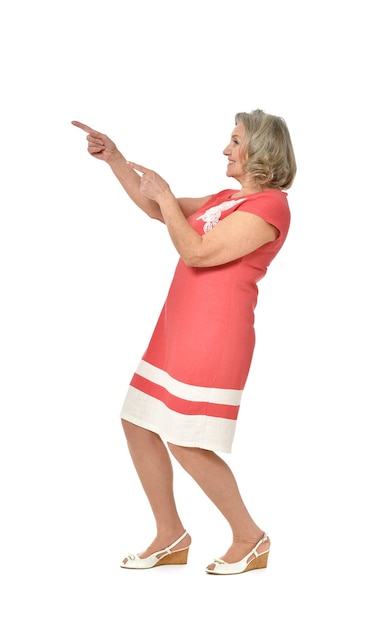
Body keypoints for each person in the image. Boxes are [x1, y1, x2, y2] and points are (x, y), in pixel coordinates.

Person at [72, 109, 296, 575]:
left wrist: (168, 200)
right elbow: (160, 208)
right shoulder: (227, 198)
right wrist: (117, 159)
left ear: (262, 150)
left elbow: (195, 251)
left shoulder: (271, 206)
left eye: (235, 141)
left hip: (215, 337)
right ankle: (170, 533)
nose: (225, 149)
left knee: (187, 441)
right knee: (138, 420)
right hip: (179, 327)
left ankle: (250, 538)